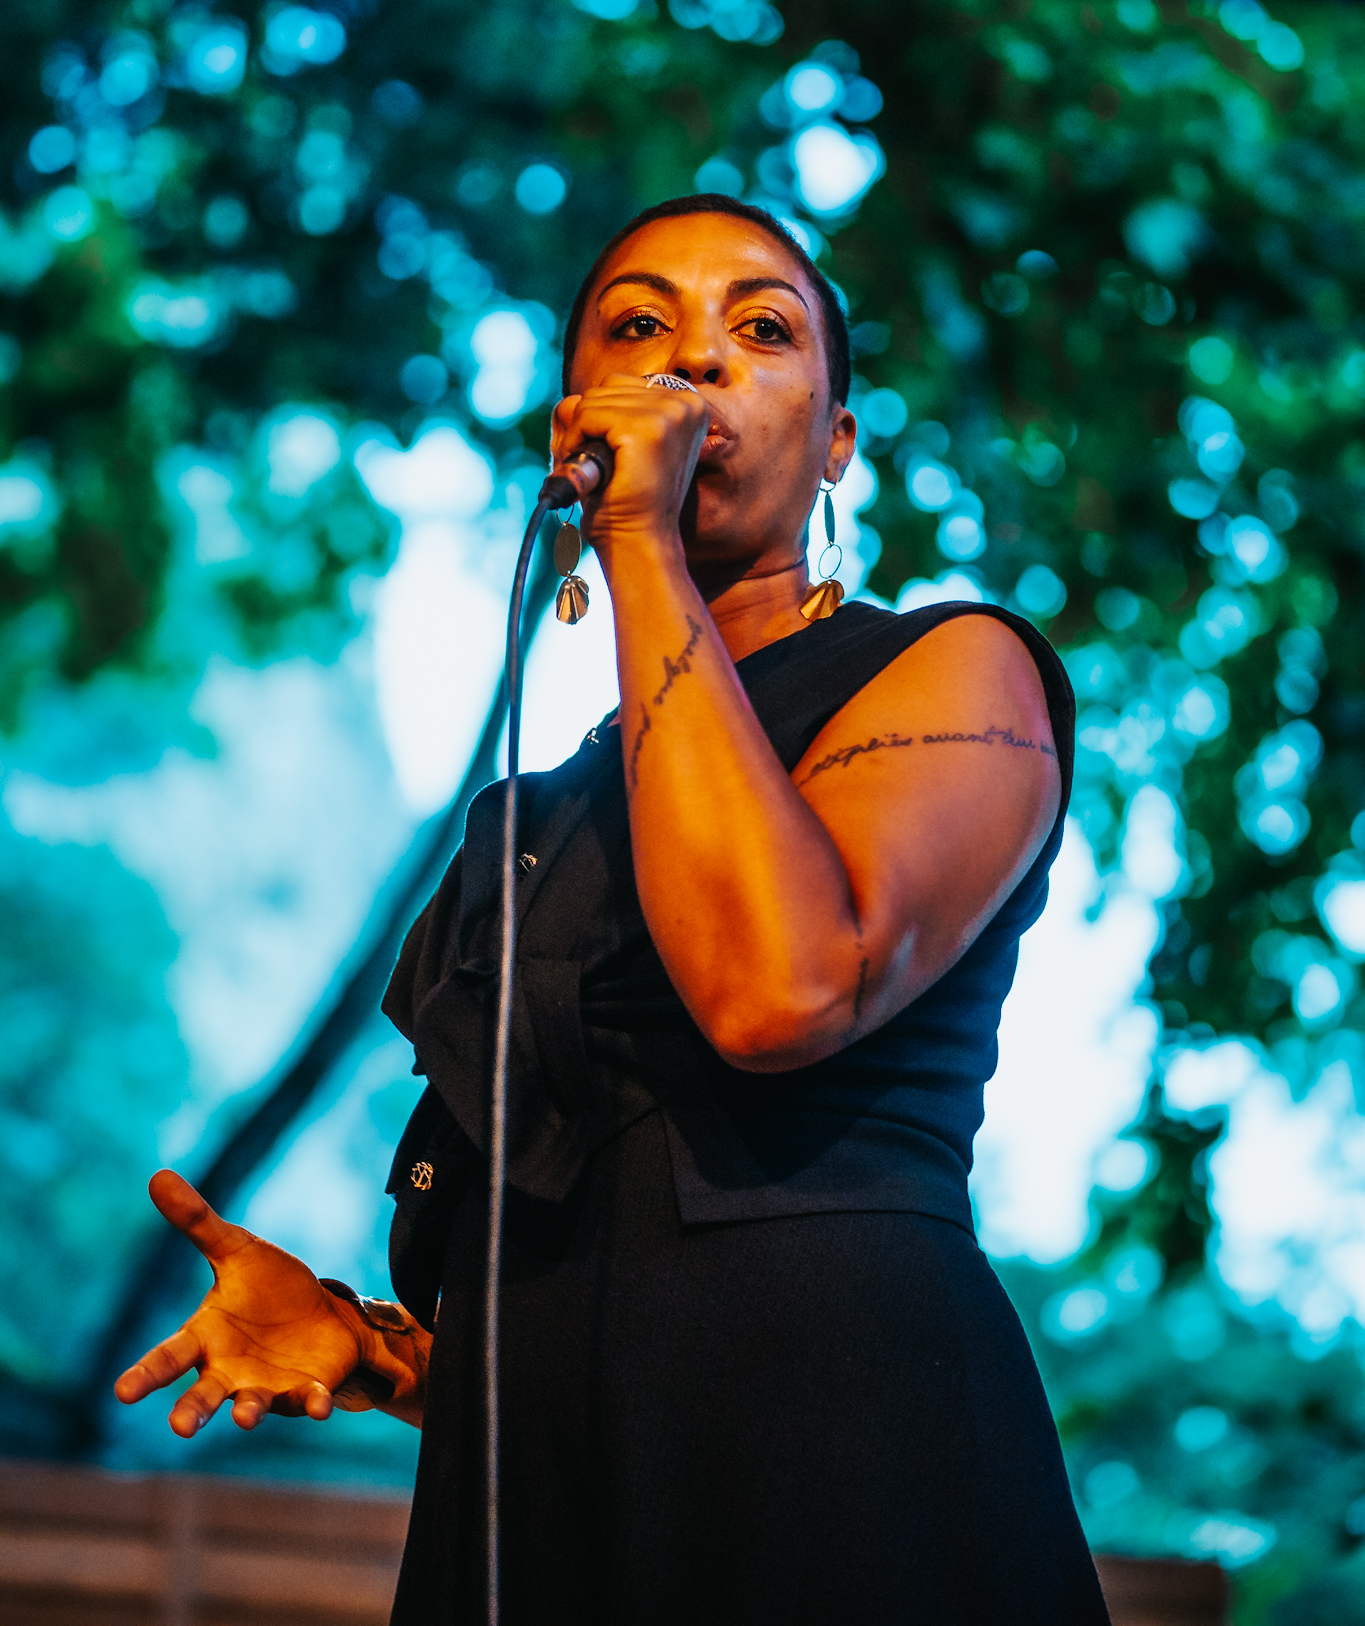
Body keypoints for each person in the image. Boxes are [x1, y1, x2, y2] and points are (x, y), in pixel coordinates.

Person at [117, 195, 1111, 1625]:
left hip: (846, 1471)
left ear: (836, 439)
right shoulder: (528, 826)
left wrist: (641, 546)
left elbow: (777, 988)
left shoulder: (952, 671)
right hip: (549, 1518)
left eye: (760, 331)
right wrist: (382, 1350)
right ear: (570, 422)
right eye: (640, 327)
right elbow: (575, 1263)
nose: (694, 362)